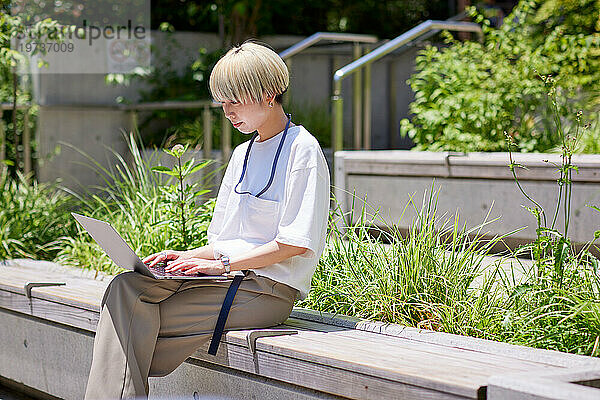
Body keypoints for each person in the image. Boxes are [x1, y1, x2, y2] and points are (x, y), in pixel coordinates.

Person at [84, 41, 330, 399]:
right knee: (125, 287)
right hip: (226, 280)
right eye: (222, 101)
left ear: (268, 94)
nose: (226, 111)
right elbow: (222, 243)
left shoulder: (302, 149)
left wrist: (222, 264)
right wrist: (186, 257)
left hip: (266, 291)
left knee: (127, 326)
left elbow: (294, 243)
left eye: (234, 100)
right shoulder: (242, 153)